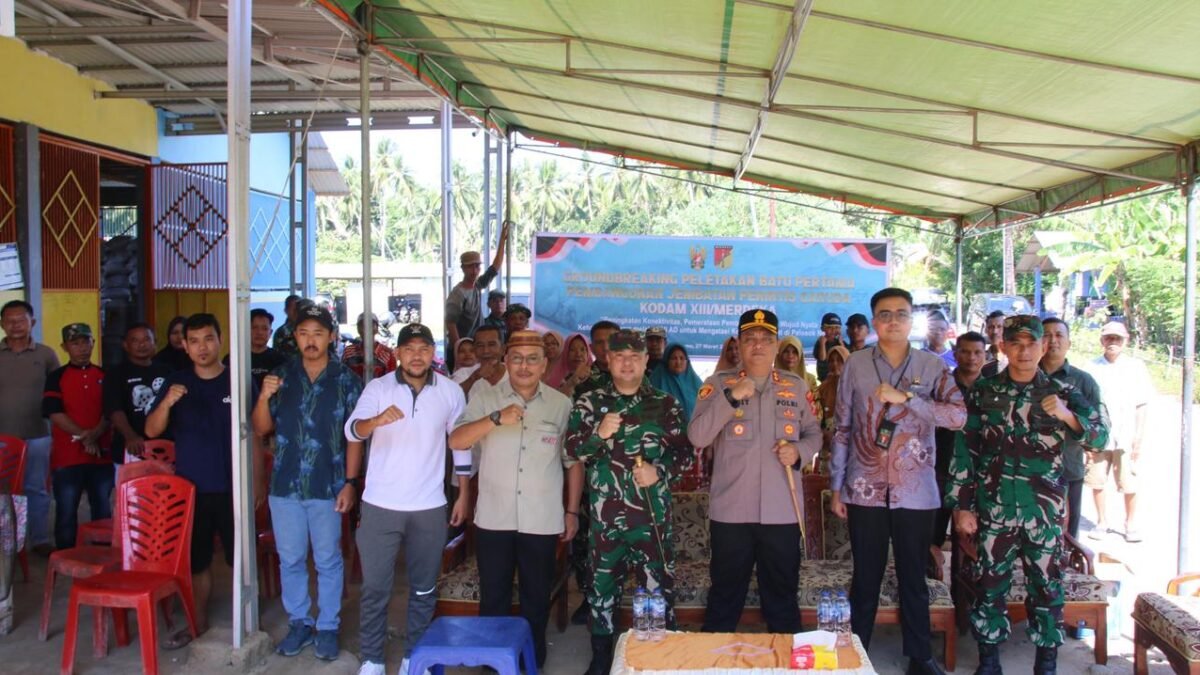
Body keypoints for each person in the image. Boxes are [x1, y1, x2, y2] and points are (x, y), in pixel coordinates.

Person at [947, 315, 1109, 675]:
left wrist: (1067, 416)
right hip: (995, 509)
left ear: (1043, 346)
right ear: (1002, 346)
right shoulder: (983, 392)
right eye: (1015, 344)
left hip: (1043, 511)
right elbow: (965, 451)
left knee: (1047, 589)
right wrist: (962, 506)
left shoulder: (1063, 392)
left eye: (1031, 343)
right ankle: (989, 662)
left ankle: (1046, 664)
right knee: (989, 586)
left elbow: (1100, 437)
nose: (1024, 351)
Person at [830, 288, 965, 675]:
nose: (893, 320)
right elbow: (842, 427)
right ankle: (855, 658)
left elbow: (957, 416)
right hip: (864, 489)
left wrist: (908, 400)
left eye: (901, 313)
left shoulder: (932, 366)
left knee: (913, 579)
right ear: (874, 320)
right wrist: (837, 486)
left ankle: (920, 658)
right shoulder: (856, 365)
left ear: (911, 320)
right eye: (885, 314)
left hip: (915, 492)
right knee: (865, 578)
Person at [448, 330, 583, 667]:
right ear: (506, 361)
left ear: (544, 364)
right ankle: (493, 664)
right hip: (494, 517)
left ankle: (530, 662)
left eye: (532, 359)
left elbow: (573, 462)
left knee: (536, 597)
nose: (525, 366)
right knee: (494, 595)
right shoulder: (485, 399)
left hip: (542, 518)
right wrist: (495, 418)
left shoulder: (561, 404)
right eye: (518, 358)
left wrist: (572, 511)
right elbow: (457, 440)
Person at [343, 323, 472, 675]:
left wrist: (463, 493)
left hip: (429, 506)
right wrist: (375, 421)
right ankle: (371, 659)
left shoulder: (450, 392)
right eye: (410, 348)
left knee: (424, 589)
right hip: (380, 505)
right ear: (398, 353)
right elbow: (352, 430)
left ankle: (414, 657)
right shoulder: (378, 388)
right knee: (375, 588)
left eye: (424, 348)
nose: (417, 355)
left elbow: (460, 445)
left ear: (433, 353)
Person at [688, 309, 822, 635]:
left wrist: (799, 452)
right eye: (750, 338)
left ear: (776, 345)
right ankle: (715, 660)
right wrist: (732, 397)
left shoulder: (796, 386)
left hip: (781, 511)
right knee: (724, 599)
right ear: (739, 344)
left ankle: (786, 660)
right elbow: (698, 436)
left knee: (782, 600)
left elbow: (814, 434)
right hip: (732, 511)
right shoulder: (718, 385)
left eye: (766, 339)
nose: (758, 345)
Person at [566, 329, 691, 675]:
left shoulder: (665, 405)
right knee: (601, 590)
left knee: (656, 590)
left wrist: (659, 471)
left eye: (634, 357)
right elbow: (571, 450)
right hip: (606, 521)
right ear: (607, 359)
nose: (626, 363)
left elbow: (685, 454)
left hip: (651, 519)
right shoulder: (589, 402)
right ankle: (601, 658)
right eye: (619, 356)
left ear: (646, 360)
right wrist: (598, 434)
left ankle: (655, 660)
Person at [252, 303, 363, 660]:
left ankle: (328, 626)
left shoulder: (346, 380)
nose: (311, 340)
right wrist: (264, 396)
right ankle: (300, 622)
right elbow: (261, 429)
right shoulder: (280, 375)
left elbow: (355, 437)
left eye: (318, 333)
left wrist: (350, 482)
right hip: (285, 485)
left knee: (329, 559)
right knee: (291, 559)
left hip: (328, 486)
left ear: (331, 337)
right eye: (303, 333)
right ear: (294, 337)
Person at [145, 313, 251, 649]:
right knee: (198, 560)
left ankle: (247, 623)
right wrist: (167, 402)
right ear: (185, 346)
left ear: (220, 340)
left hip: (234, 488)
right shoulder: (175, 382)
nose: (202, 347)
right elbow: (151, 430)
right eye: (194, 341)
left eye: (208, 339)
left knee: (240, 561)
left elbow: (258, 434)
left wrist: (257, 484)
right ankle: (198, 623)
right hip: (192, 491)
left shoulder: (237, 380)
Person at [43, 323, 112, 550]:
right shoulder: (56, 377)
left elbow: (111, 411)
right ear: (65, 347)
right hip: (67, 457)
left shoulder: (105, 375)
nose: (82, 348)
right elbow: (54, 413)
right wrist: (85, 436)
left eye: (86, 342)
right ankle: (66, 555)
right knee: (66, 509)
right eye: (75, 343)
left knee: (102, 508)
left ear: (93, 343)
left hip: (101, 456)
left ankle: (102, 556)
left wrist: (96, 434)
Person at [0, 300, 61, 555]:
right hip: (2, 437)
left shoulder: (46, 355)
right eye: (10, 320)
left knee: (37, 488)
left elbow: (58, 393)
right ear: (2, 324)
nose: (15, 325)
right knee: (3, 492)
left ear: (32, 322)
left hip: (38, 434)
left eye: (21, 319)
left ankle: (39, 540)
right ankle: (6, 544)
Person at [1084, 320, 1153, 542]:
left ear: (1125, 341)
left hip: (1125, 434)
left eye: (1117, 338)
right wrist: (1086, 439)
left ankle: (1130, 523)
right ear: (1102, 340)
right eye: (1108, 338)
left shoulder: (1136, 367)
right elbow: (1084, 404)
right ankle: (1101, 521)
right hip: (1099, 435)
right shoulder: (1091, 367)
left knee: (1128, 481)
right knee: (1097, 480)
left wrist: (1138, 437)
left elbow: (1142, 404)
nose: (1112, 342)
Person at [1038, 319, 1104, 540]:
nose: (1053, 340)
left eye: (1059, 335)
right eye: (1046, 335)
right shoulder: (1024, 375)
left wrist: (1068, 415)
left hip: (1066, 472)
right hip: (1025, 476)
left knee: (1065, 542)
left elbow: (1099, 437)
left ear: (1069, 343)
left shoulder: (1083, 382)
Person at [931, 331, 986, 561]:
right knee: (931, 537)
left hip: (977, 474)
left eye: (977, 352)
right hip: (940, 468)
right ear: (955, 354)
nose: (971, 357)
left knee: (970, 542)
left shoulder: (992, 390)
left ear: (985, 355)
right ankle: (930, 581)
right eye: (965, 351)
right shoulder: (941, 387)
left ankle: (963, 584)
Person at [104, 323, 171, 476]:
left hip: (165, 448)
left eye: (146, 339)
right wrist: (130, 436)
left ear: (155, 342)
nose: (142, 344)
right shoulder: (116, 374)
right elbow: (114, 409)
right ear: (125, 345)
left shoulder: (167, 371)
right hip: (131, 448)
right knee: (132, 490)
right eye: (135, 340)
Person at [444, 227, 508, 370]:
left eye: (477, 266)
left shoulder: (477, 286)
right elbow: (450, 323)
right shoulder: (458, 294)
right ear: (462, 268)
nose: (474, 271)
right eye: (470, 267)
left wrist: (502, 241)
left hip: (474, 348)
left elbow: (495, 267)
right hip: (462, 351)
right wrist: (460, 351)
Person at [649, 343, 703, 420]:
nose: (678, 362)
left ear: (687, 361)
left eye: (682, 358)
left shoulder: (696, 383)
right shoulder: (656, 381)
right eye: (674, 358)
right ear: (666, 361)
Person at [574, 320, 621, 399]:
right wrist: (571, 384)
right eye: (599, 342)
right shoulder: (578, 379)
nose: (605, 347)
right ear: (591, 348)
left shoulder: (637, 376)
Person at [342, 313, 397, 380]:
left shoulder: (388, 353)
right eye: (362, 325)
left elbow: (391, 381)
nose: (366, 329)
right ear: (358, 329)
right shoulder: (349, 351)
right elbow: (342, 376)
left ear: (377, 329)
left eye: (371, 325)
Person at [458, 325, 506, 398]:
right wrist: (474, 378)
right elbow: (450, 397)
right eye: (480, 345)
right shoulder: (463, 374)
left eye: (491, 345)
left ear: (503, 349)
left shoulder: (515, 374)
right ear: (474, 350)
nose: (486, 351)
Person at [813, 312, 846, 380]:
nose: (833, 330)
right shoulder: (820, 342)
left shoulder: (841, 342)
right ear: (822, 328)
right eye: (829, 327)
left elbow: (845, 357)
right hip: (824, 377)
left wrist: (841, 343)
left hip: (839, 377)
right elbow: (822, 358)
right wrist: (822, 344)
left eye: (836, 327)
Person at [981, 310, 1007, 377]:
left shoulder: (1013, 355)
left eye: (999, 326)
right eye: (991, 327)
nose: (995, 331)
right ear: (986, 330)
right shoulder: (984, 355)